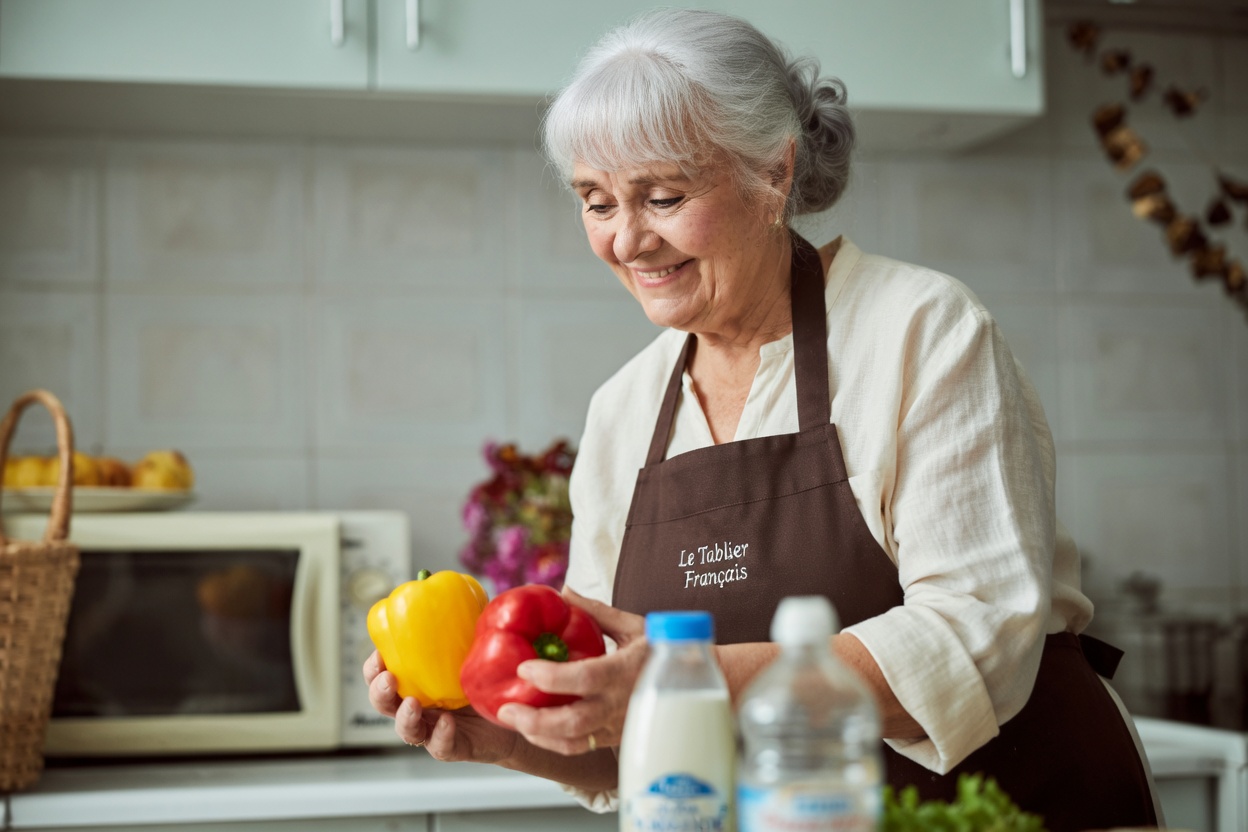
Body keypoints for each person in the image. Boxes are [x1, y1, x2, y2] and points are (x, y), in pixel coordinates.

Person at [365, 8, 1159, 831]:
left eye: (663, 196)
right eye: (596, 202)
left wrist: (690, 676)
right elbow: (631, 722)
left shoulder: (921, 329)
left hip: (1003, 806)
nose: (628, 240)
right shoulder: (625, 411)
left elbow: (976, 637)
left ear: (774, 174)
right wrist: (503, 738)